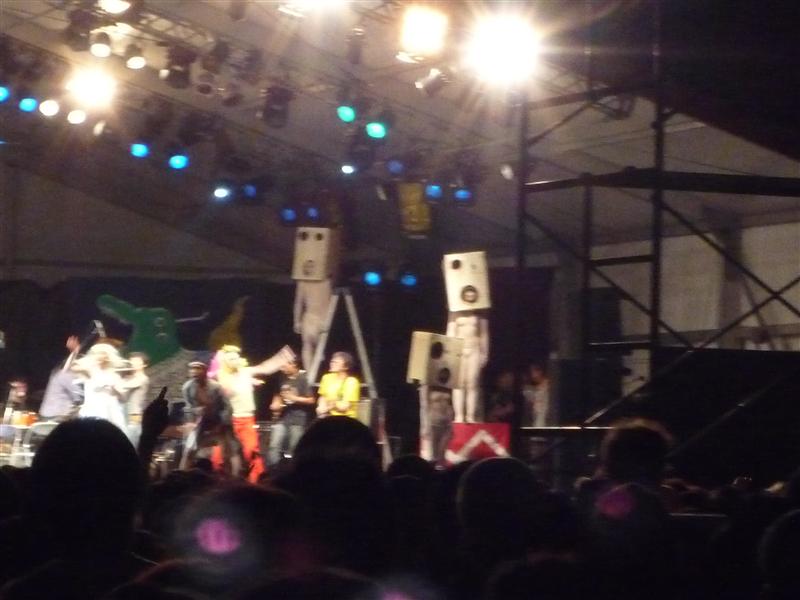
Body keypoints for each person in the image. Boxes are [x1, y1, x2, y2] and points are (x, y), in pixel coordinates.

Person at [213, 344, 295, 482]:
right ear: (226, 362)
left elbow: (264, 368)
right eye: (231, 359)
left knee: (252, 451)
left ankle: (254, 482)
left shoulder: (245, 372)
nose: (235, 361)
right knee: (220, 455)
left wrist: (282, 357)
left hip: (246, 420)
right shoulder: (224, 376)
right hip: (230, 421)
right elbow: (227, 390)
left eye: (236, 358)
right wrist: (246, 382)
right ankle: (217, 481)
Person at [179, 361, 240, 475]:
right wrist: (192, 418)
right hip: (201, 422)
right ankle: (181, 476)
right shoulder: (188, 387)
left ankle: (233, 477)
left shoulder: (216, 387)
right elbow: (188, 407)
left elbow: (227, 407)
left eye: (198, 369)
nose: (194, 372)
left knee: (229, 451)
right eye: (192, 369)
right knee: (189, 450)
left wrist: (222, 423)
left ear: (205, 371)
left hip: (219, 420)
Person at [267, 358, 315, 468]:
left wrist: (294, 398)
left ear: (294, 365)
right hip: (283, 418)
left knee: (295, 447)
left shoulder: (303, 379)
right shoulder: (282, 378)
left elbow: (311, 400)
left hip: (298, 419)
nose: (282, 368)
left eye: (284, 366)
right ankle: (274, 468)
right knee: (274, 445)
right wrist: (275, 403)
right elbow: (278, 394)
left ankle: (294, 471)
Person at [447, 310, 489, 423]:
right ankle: (459, 416)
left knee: (472, 384)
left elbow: (484, 334)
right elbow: (450, 332)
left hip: (474, 349)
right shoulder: (454, 312)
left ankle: (470, 416)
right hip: (459, 350)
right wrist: (449, 352)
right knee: (458, 384)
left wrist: (484, 353)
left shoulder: (480, 313)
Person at [76, 343, 128, 434]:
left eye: (104, 355)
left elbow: (123, 398)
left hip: (111, 412)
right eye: (98, 354)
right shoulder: (89, 372)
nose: (101, 358)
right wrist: (74, 353)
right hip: (93, 411)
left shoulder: (114, 376)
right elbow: (71, 368)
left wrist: (114, 389)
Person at [294, 278, 333, 375]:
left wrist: (297, 321)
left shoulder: (326, 282)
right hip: (311, 317)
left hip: (321, 318)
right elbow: (298, 303)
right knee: (308, 346)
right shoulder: (303, 282)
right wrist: (297, 321)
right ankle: (310, 374)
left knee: (317, 347)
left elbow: (329, 302)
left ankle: (313, 372)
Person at [316, 351, 360, 419]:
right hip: (328, 416)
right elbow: (323, 396)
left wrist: (329, 407)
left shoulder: (352, 382)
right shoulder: (326, 377)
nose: (332, 364)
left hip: (345, 419)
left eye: (336, 362)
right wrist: (321, 406)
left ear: (345, 367)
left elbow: (344, 407)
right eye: (332, 362)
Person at [120, 352, 150, 447]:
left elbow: (124, 386)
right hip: (123, 411)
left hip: (135, 413)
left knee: (132, 438)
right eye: (132, 361)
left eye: (137, 361)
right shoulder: (127, 377)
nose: (133, 363)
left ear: (144, 364)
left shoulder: (143, 378)